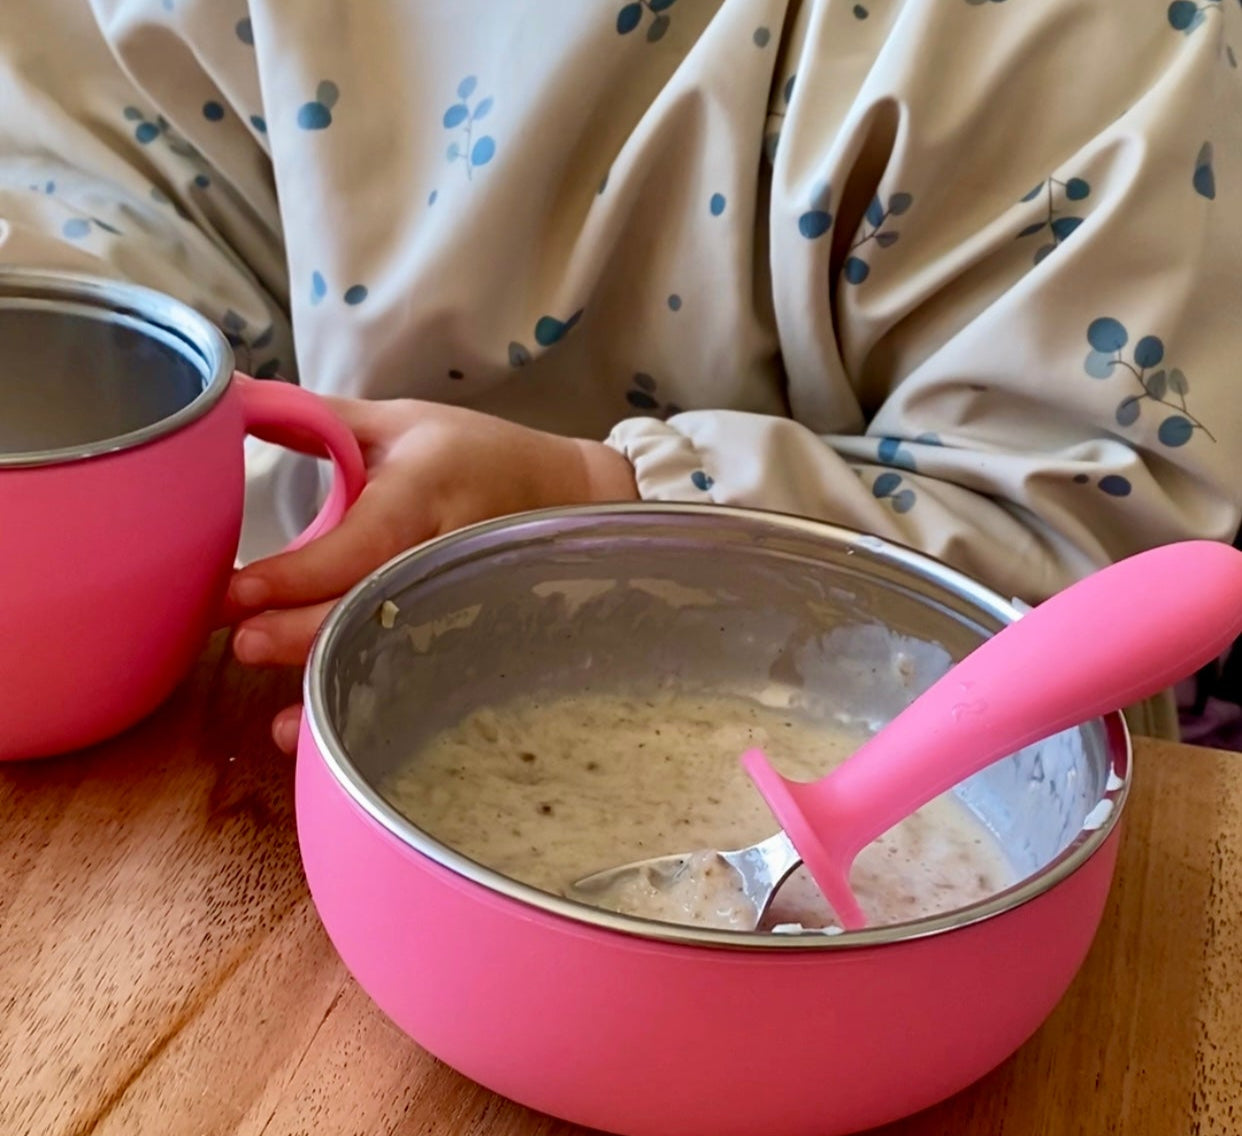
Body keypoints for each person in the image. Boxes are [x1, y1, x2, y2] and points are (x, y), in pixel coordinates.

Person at [3, 0, 1239, 751]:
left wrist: (608, 503)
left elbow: (1096, 542)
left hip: (889, 784)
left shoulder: (1070, 44)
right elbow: (90, 214)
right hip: (257, 702)